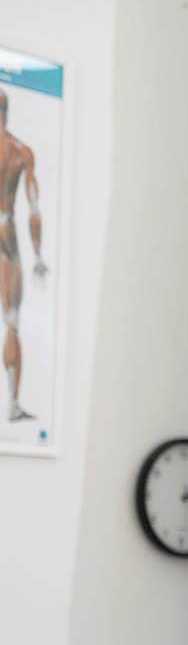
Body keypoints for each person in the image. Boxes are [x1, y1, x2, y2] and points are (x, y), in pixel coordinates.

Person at [0, 87, 48, 424]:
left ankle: (15, 406)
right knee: (11, 322)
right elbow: (33, 210)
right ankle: (13, 405)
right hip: (5, 234)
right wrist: (38, 255)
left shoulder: (21, 151)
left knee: (13, 323)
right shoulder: (19, 152)